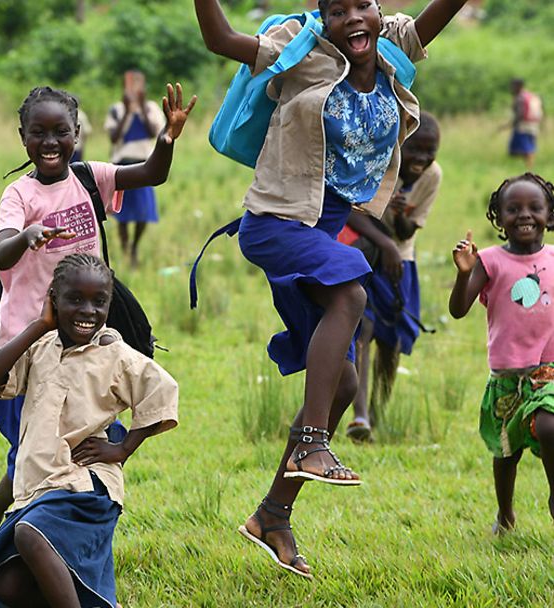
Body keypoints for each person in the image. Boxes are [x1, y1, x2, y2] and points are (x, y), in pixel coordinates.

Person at [193, 0, 470, 578]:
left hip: (321, 227)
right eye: (337, 10)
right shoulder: (301, 51)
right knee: (353, 292)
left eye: (362, 5)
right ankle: (314, 441)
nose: (354, 19)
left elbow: (438, 14)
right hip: (275, 224)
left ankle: (272, 515)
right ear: (324, 18)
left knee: (342, 379)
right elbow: (220, 38)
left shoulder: (396, 46)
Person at [0, 84, 195, 557]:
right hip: (29, 343)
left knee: (82, 441)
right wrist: (27, 234)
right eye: (39, 133)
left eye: (61, 132)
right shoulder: (19, 194)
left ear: (77, 134)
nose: (51, 143)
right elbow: (3, 254)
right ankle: (12, 521)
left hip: (87, 339)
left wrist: (167, 137)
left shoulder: (91, 178)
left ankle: (42, 531)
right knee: (37, 449)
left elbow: (152, 173)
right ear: (23, 138)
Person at [0, 254, 178, 608]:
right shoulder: (41, 348)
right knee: (8, 586)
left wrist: (122, 450)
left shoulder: (116, 355)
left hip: (82, 490)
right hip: (38, 489)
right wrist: (40, 325)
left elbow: (162, 392)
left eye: (99, 302)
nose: (88, 311)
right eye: (75, 299)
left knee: (30, 535)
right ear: (53, 299)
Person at [448, 173, 554, 534]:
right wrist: (464, 275)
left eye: (534, 208)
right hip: (507, 374)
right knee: (506, 451)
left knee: (548, 422)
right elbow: (459, 309)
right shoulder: (491, 261)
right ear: (499, 218)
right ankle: (505, 513)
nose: (524, 215)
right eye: (513, 209)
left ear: (549, 216)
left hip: (548, 370)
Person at [345, 112, 442, 441]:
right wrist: (384, 241)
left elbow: (405, 233)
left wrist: (399, 214)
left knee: (393, 341)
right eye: (415, 150)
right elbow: (351, 213)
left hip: (401, 262)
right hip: (365, 254)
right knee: (361, 330)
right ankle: (359, 417)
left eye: (430, 152)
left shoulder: (433, 176)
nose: (422, 159)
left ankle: (376, 412)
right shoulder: (380, 160)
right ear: (401, 144)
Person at [104, 70, 167, 268]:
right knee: (121, 212)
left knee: (143, 211)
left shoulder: (150, 108)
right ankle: (125, 249)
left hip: (143, 165)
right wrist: (127, 111)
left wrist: (140, 107)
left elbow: (153, 133)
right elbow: (114, 138)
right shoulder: (116, 110)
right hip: (121, 165)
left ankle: (134, 247)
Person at [508, 78, 543, 171]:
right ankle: (527, 167)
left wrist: (511, 123)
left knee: (526, 148)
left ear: (518, 86)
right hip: (534, 125)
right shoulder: (531, 96)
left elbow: (521, 114)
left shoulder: (520, 98)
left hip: (523, 126)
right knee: (527, 146)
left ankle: (529, 168)